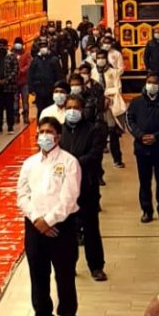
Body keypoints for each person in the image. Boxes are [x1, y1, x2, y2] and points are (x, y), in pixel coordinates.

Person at [17, 115, 82, 316]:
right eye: (41, 131)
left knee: (64, 275)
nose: (44, 136)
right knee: (38, 275)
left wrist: (50, 220)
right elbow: (22, 195)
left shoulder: (69, 162)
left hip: (61, 226)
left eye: (49, 132)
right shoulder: (29, 164)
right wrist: (37, 219)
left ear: (58, 137)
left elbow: (69, 197)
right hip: (35, 226)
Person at [61, 94, 107, 281]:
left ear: (82, 110)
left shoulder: (92, 130)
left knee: (91, 228)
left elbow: (95, 155)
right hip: (64, 189)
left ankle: (96, 266)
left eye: (76, 108)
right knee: (67, 231)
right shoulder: (59, 131)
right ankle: (68, 266)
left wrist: (72, 163)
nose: (72, 111)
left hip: (87, 186)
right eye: (69, 107)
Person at [126, 73, 159, 224]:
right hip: (141, 149)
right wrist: (140, 135)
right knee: (144, 181)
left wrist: (157, 136)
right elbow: (130, 121)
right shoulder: (136, 102)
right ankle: (146, 210)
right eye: (149, 82)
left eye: (155, 83)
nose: (152, 85)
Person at [102, 52, 126, 167]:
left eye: (102, 58)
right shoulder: (93, 72)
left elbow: (118, 88)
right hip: (97, 107)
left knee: (112, 132)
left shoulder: (113, 72)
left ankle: (117, 159)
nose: (100, 60)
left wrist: (106, 94)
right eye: (98, 58)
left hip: (110, 105)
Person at [0, 36, 18, 133]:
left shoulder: (12, 56)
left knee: (10, 107)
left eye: (3, 45)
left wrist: (7, 79)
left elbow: (15, 69)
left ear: (6, 46)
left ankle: (10, 126)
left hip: (9, 87)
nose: (1, 47)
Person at [28, 40, 60, 119]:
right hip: (39, 90)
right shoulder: (35, 60)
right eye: (41, 46)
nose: (43, 48)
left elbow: (58, 74)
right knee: (41, 110)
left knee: (51, 110)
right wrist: (31, 88)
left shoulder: (54, 59)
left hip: (51, 90)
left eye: (44, 46)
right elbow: (30, 74)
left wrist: (58, 87)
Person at [13, 35, 32, 125]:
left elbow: (29, 64)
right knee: (15, 100)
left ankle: (26, 116)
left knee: (25, 100)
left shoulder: (26, 54)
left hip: (24, 81)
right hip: (14, 81)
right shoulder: (11, 54)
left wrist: (22, 70)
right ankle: (16, 116)